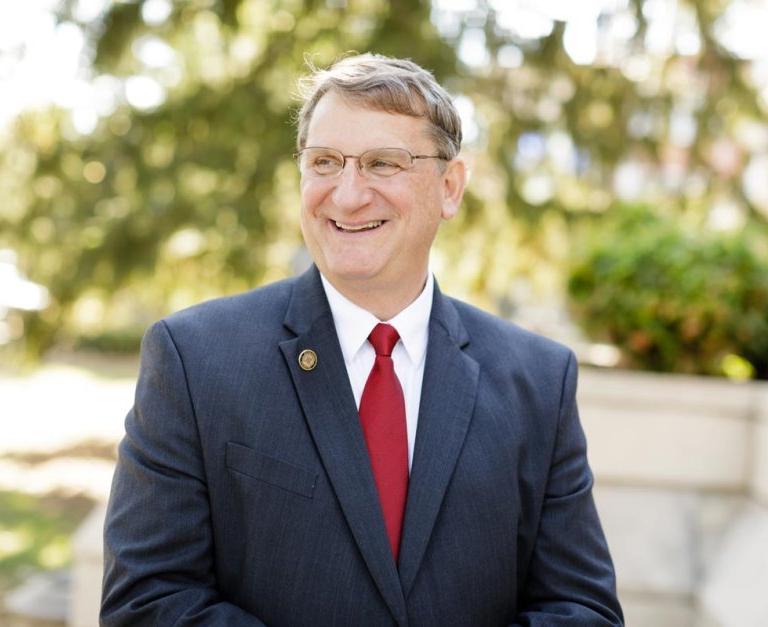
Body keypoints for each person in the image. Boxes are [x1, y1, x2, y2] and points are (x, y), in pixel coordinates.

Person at [101, 53, 623, 626]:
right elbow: (147, 603)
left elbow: (583, 611)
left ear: (449, 187)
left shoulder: (540, 381)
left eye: (382, 163)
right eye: (324, 162)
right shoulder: (194, 360)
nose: (347, 195)